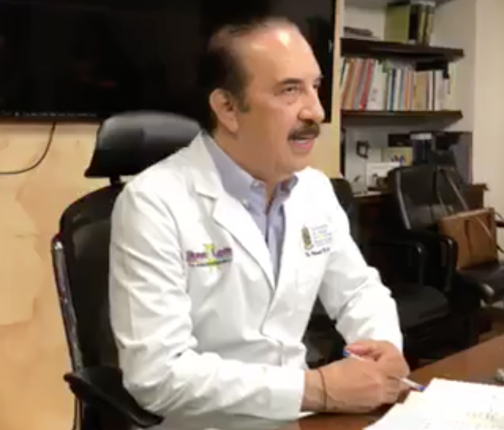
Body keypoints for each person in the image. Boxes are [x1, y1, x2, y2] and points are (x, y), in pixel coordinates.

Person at [108, 16, 409, 430]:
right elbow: (157, 374)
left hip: (301, 418)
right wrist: (317, 388)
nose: (317, 111)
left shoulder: (314, 190)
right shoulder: (153, 203)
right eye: (290, 90)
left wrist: (383, 347)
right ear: (228, 109)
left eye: (315, 86)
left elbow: (357, 291)